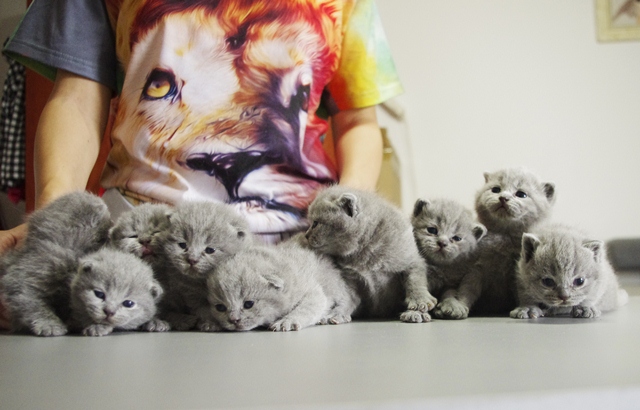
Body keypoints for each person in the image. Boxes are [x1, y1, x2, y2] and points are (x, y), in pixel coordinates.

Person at [0, 0, 403, 250]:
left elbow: (357, 120)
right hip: (145, 236)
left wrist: (352, 220)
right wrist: (52, 221)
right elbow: (75, 97)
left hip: (299, 246)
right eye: (163, 86)